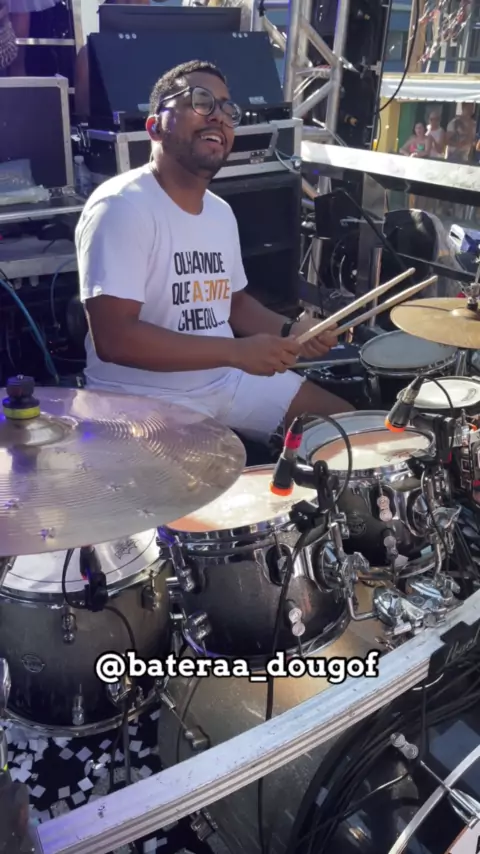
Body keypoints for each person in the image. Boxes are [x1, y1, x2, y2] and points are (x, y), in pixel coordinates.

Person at [75, 60, 353, 445]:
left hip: (226, 381)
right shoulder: (121, 207)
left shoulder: (220, 213)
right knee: (218, 483)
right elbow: (115, 338)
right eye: (200, 101)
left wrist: (291, 332)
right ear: (155, 127)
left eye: (227, 109)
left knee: (351, 431)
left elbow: (234, 304)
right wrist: (237, 352)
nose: (219, 116)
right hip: (142, 399)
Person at [74, 0, 150, 118]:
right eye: (126, 1)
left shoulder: (162, 46)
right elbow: (83, 114)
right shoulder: (88, 54)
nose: (133, 5)